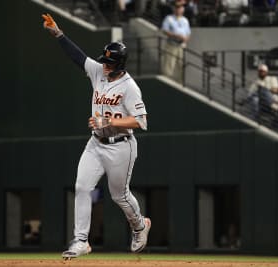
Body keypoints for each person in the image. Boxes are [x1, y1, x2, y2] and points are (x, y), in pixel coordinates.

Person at [42, 14, 151, 259]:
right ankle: (81, 240)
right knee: (81, 187)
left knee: (119, 196)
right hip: (95, 144)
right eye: (103, 61)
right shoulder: (98, 72)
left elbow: (141, 121)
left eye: (109, 63)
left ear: (120, 64)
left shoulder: (130, 87)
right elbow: (78, 57)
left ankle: (140, 226)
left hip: (121, 146)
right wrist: (58, 34)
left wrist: (110, 121)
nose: (103, 65)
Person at [161, 0, 191, 83]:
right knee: (169, 65)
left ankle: (181, 84)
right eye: (177, 7)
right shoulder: (169, 18)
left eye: (181, 7)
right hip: (172, 45)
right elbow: (165, 30)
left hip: (182, 46)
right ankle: (166, 83)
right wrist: (176, 36)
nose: (179, 9)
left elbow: (188, 33)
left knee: (182, 66)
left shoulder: (185, 20)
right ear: (174, 9)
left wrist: (186, 39)